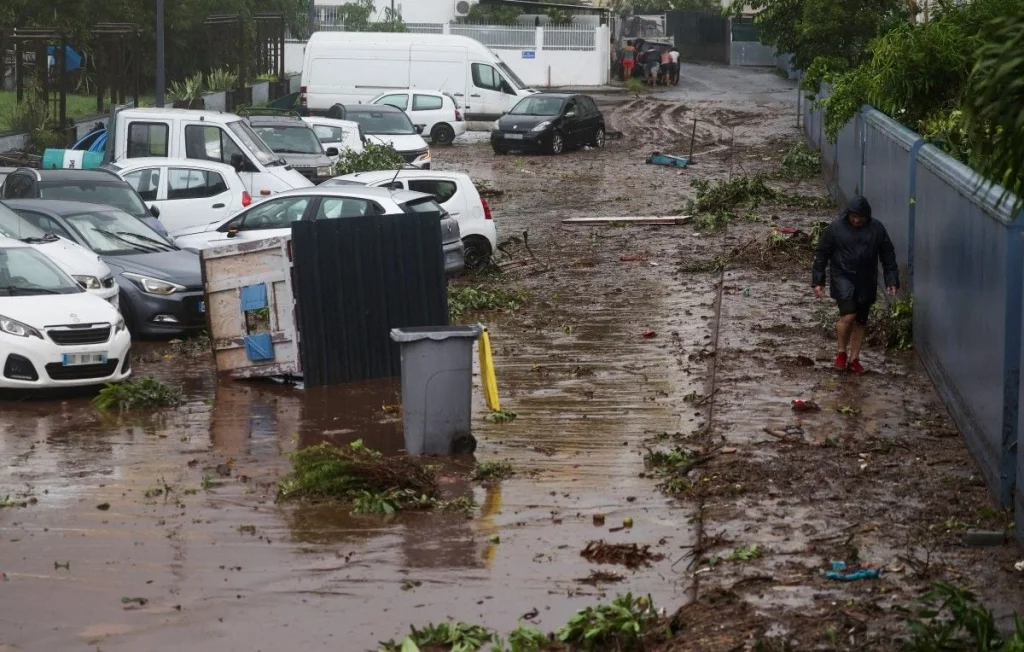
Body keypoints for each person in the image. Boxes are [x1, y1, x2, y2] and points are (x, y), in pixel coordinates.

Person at [811, 195, 899, 375]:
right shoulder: (836, 228)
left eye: (861, 217)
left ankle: (855, 358)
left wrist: (891, 279)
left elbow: (888, 256)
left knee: (861, 320)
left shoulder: (877, 229)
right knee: (849, 315)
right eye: (853, 216)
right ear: (848, 214)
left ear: (867, 216)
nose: (857, 220)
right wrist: (818, 280)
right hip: (842, 276)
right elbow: (822, 254)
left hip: (867, 278)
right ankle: (842, 352)